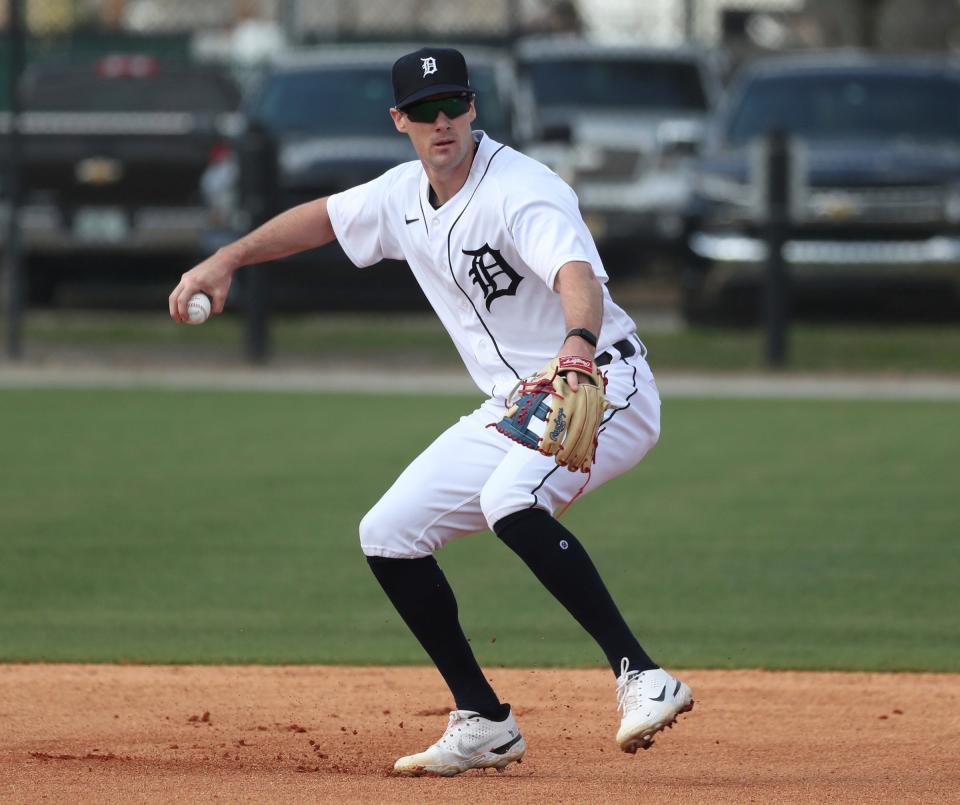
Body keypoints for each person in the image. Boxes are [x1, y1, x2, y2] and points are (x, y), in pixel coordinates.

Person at [169, 46, 693, 777]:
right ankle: (483, 719)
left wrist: (576, 346)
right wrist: (225, 258)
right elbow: (320, 219)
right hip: (517, 403)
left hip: (600, 382)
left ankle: (641, 674)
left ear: (474, 107)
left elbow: (578, 273)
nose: (441, 121)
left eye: (453, 105)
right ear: (400, 121)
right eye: (424, 111)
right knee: (388, 532)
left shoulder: (521, 187)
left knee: (510, 496)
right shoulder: (400, 194)